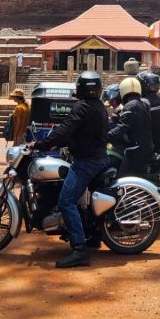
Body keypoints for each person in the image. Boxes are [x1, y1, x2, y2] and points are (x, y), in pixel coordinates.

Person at [32, 71, 109, 268]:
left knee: (66, 201)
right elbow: (75, 132)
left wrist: (43, 143)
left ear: (83, 88)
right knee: (79, 200)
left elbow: (66, 128)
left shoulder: (82, 107)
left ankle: (79, 250)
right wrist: (57, 142)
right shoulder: (98, 106)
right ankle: (92, 237)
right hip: (96, 157)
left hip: (87, 161)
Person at [107, 76, 152, 176]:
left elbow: (122, 127)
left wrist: (106, 136)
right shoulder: (143, 103)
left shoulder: (130, 105)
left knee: (121, 178)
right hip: (145, 146)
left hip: (136, 148)